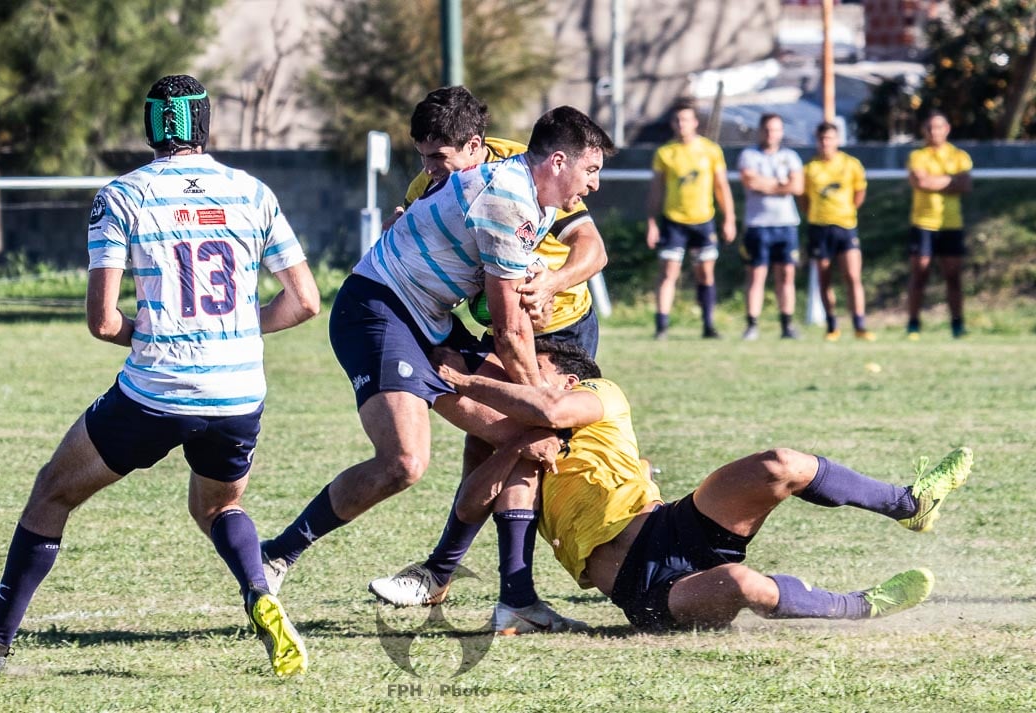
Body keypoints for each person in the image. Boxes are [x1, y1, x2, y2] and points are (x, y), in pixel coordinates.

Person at [0, 75, 320, 677]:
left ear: (151, 125)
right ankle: (260, 593)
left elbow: (104, 322)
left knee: (53, 491)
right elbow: (306, 302)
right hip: (237, 392)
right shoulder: (253, 192)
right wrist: (232, 331)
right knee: (218, 508)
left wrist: (162, 331)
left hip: (157, 390)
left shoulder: (122, 195)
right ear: (206, 124)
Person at [259, 107, 617, 627]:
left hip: (426, 317)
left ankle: (513, 599)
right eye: (591, 170)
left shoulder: (529, 195)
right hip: (379, 312)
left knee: (518, 436)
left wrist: (541, 293)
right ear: (559, 161)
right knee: (405, 462)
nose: (596, 184)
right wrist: (544, 407)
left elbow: (519, 283)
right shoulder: (509, 198)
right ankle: (276, 555)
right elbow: (508, 328)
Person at [423, 339, 972, 632]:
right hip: (641, 588)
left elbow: (548, 405)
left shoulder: (597, 394)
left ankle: (910, 502)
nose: (515, 381)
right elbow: (473, 502)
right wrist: (515, 446)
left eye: (529, 369)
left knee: (779, 463)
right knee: (739, 583)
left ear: (568, 378)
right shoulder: (523, 446)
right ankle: (860, 607)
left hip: (670, 523)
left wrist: (468, 379)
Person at [390, 86, 608, 357]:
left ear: (473, 145)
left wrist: (551, 284)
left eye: (438, 157)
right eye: (422, 155)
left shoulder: (526, 169)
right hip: (501, 325)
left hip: (563, 324)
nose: (428, 168)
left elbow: (593, 247)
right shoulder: (428, 184)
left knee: (542, 399)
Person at [646, 99, 736, 340]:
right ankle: (661, 326)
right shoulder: (665, 153)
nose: (681, 124)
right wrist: (652, 223)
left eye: (685, 119)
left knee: (705, 274)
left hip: (703, 220)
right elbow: (656, 190)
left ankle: (708, 325)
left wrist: (729, 219)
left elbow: (722, 187)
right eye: (677, 120)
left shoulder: (710, 150)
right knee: (668, 273)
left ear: (695, 122)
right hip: (674, 222)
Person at [801, 122, 875, 342]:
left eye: (830, 138)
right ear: (817, 140)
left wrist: (846, 211)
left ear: (838, 140)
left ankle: (859, 324)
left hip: (845, 226)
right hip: (819, 228)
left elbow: (859, 193)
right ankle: (832, 325)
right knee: (824, 278)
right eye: (822, 139)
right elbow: (804, 200)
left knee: (852, 275)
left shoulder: (851, 164)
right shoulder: (810, 168)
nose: (826, 143)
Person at [906, 111, 973, 339]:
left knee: (953, 276)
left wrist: (935, 182)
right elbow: (920, 181)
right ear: (924, 131)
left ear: (947, 130)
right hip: (923, 223)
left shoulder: (959, 156)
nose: (934, 132)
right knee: (920, 274)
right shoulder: (918, 155)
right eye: (930, 128)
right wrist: (949, 181)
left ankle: (957, 324)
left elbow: (965, 184)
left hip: (951, 224)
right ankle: (913, 324)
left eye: (938, 127)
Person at [737, 114, 804, 340]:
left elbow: (797, 186)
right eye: (767, 129)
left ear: (781, 132)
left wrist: (767, 185)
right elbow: (751, 182)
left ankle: (786, 324)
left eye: (775, 130)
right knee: (756, 275)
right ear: (760, 130)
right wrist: (780, 185)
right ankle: (752, 324)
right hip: (758, 225)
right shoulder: (749, 155)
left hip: (786, 224)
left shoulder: (790, 156)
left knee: (786, 274)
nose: (771, 134)